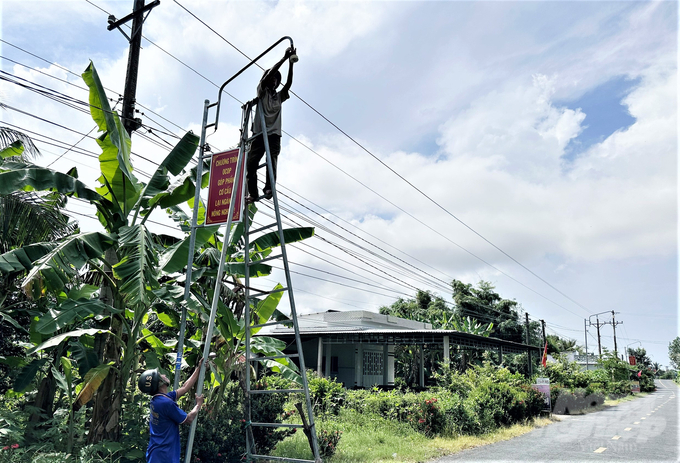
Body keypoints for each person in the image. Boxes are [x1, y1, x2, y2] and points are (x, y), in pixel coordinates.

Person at [246, 47, 296, 203]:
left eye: (276, 78)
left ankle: (269, 187)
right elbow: (266, 77)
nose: (274, 80)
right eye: (272, 77)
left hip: (273, 134)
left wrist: (291, 63)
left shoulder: (279, 96)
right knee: (251, 164)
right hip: (259, 134)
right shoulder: (261, 91)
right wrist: (283, 58)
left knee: (271, 160)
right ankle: (253, 194)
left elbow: (288, 84)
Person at [138, 361, 204, 463]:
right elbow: (189, 419)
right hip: (164, 455)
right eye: (161, 375)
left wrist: (198, 368)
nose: (164, 375)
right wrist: (198, 404)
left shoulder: (158, 399)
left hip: (157, 453)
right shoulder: (166, 403)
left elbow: (185, 388)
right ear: (159, 382)